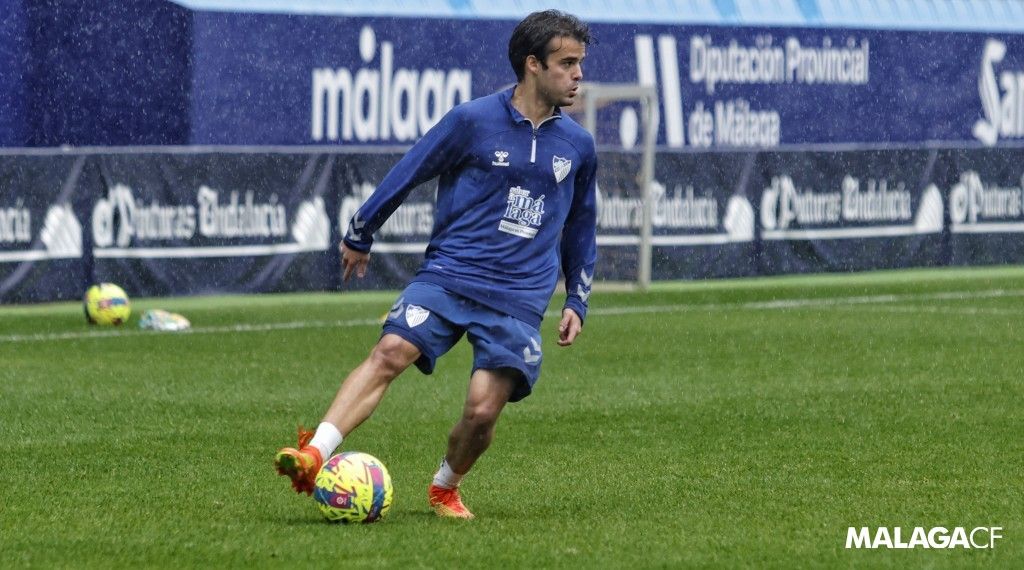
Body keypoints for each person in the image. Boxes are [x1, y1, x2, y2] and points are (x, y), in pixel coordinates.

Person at [275, 9, 597, 520]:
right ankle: (315, 453)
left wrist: (577, 298)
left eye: (579, 63)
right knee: (390, 350)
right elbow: (411, 169)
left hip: (518, 296)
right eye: (567, 63)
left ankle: (446, 485)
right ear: (533, 64)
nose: (578, 74)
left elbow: (581, 224)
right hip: (450, 274)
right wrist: (362, 230)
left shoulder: (579, 145)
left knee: (482, 412)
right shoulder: (473, 121)